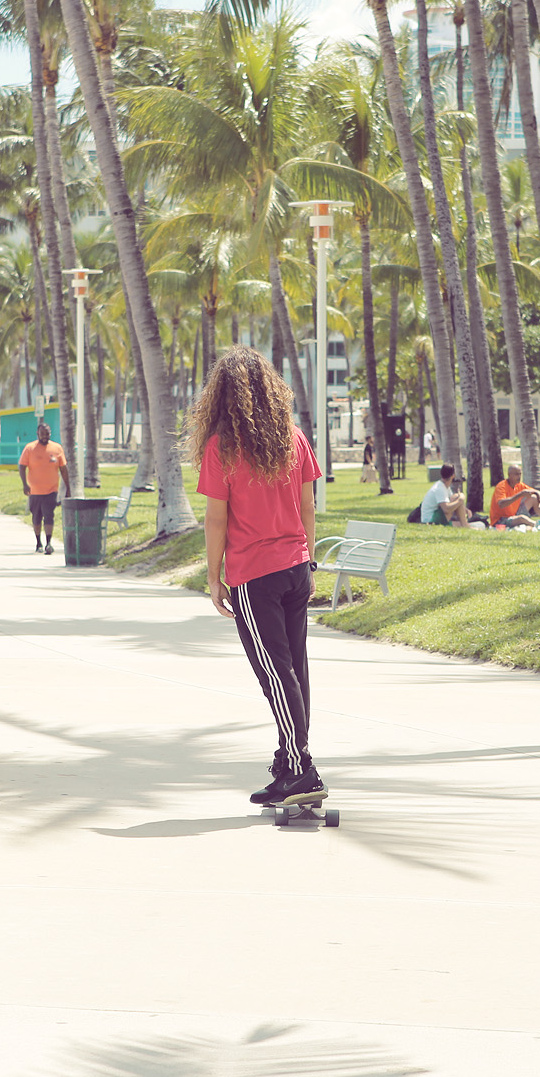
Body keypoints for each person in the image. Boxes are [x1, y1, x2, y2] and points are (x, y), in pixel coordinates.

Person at [192, 346, 327, 809]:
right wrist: (306, 559)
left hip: (256, 575)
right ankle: (289, 767)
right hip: (296, 568)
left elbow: (215, 520)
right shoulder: (293, 438)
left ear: (222, 397)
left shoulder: (222, 449)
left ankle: (302, 767)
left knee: (275, 674)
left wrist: (214, 577)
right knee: (294, 669)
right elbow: (309, 507)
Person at [18, 420, 70, 555]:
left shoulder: (57, 448)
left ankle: (48, 543)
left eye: (47, 434)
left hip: (51, 490)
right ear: (37, 434)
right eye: (42, 434)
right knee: (36, 518)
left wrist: (67, 489)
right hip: (34, 491)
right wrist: (24, 484)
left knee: (49, 516)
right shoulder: (30, 448)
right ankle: (38, 542)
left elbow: (63, 469)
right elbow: (22, 466)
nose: (45, 436)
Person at [421, 462, 474, 528]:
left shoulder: (444, 486)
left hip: (435, 516)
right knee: (457, 498)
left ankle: (464, 524)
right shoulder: (439, 488)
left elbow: (453, 501)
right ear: (453, 475)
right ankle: (465, 525)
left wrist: (465, 510)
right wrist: (460, 499)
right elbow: (446, 509)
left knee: (455, 497)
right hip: (431, 520)